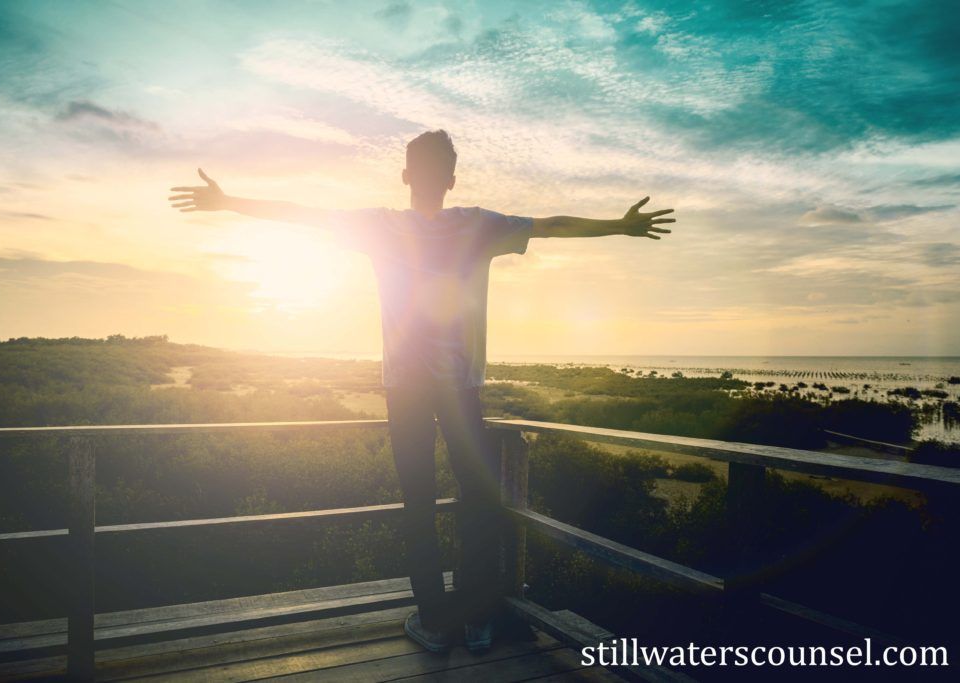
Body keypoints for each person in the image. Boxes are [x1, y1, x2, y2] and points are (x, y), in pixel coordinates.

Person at [169, 130, 675, 653]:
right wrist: (620, 226)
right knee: (478, 501)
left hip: (404, 389)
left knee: (418, 503)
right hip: (461, 389)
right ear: (451, 180)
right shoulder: (478, 225)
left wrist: (228, 203)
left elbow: (303, 213)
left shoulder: (380, 226)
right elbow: (552, 226)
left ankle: (435, 623)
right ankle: (478, 621)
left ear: (407, 175)